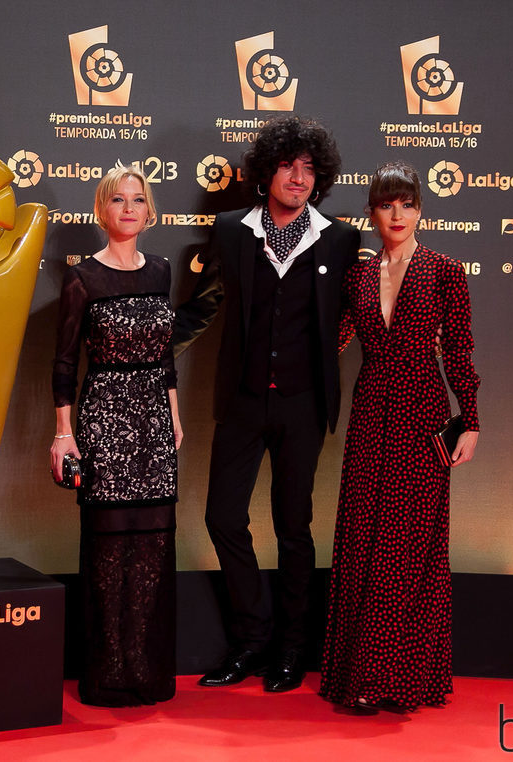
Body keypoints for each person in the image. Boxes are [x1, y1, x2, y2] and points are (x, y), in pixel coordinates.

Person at [174, 115, 360, 693]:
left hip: (304, 405)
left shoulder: (340, 239)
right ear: (266, 171)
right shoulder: (232, 230)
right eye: (287, 165)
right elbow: (203, 307)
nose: (297, 177)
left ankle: (291, 649)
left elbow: (354, 316)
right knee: (222, 517)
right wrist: (144, 348)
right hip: (244, 399)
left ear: (320, 178)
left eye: (308, 169)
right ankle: (252, 641)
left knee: (293, 526)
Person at [319, 160, 480, 712]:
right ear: (371, 211)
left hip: (422, 413)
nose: (397, 213)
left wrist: (472, 420)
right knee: (365, 537)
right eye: (387, 203)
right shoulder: (357, 277)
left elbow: (459, 350)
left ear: (420, 210)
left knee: (409, 547)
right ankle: (359, 675)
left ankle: (403, 678)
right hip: (370, 410)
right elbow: (333, 340)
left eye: (407, 203)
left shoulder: (444, 270)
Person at [50, 167, 183, 706]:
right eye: (118, 200)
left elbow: (166, 355)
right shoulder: (83, 277)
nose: (129, 209)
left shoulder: (163, 271)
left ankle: (146, 673)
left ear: (148, 211)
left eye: (138, 200)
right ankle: (107, 674)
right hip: (105, 422)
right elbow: (63, 364)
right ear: (102, 210)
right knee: (108, 550)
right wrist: (64, 435)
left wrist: (174, 414)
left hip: (155, 422)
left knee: (152, 545)